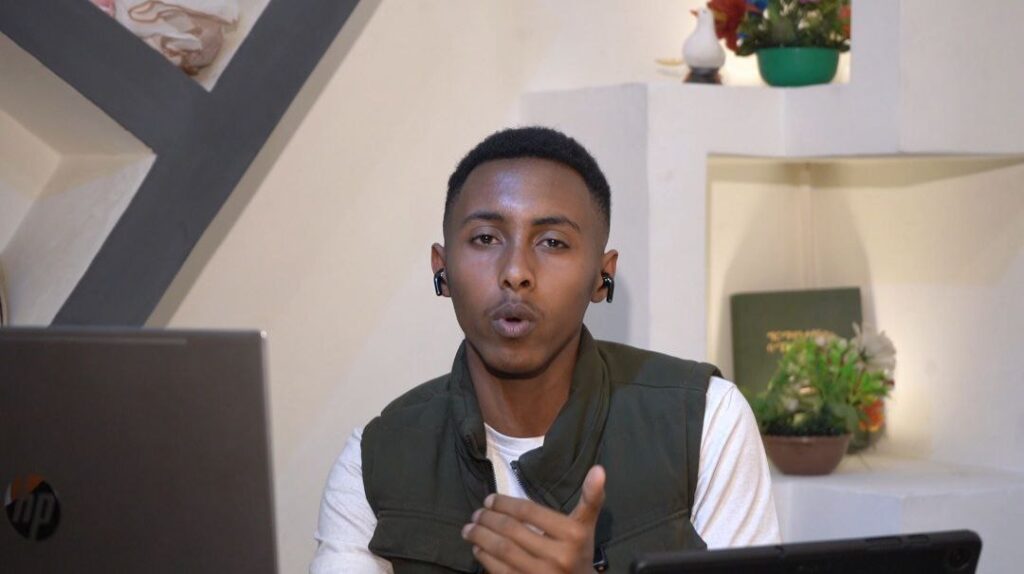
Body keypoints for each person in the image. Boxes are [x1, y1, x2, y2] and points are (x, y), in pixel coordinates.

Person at [311, 127, 779, 574]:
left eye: (552, 242)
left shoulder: (705, 419)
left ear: (602, 276)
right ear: (443, 268)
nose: (516, 271)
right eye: (485, 238)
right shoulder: (374, 461)